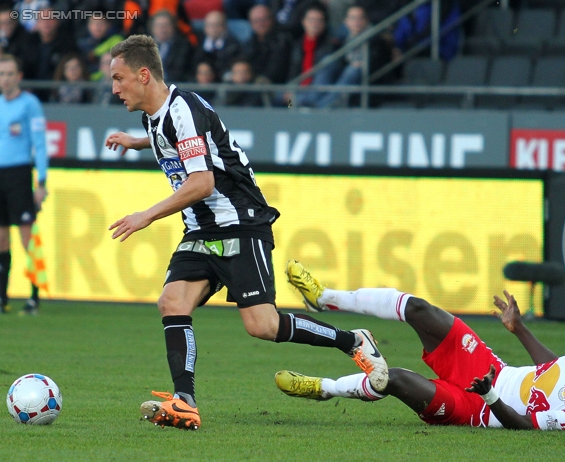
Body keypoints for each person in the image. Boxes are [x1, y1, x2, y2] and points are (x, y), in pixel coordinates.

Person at [103, 34, 386, 431]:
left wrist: (146, 216)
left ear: (143, 75)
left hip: (239, 221)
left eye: (118, 79)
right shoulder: (155, 115)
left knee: (263, 326)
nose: (114, 88)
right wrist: (136, 142)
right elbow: (171, 141)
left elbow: (201, 183)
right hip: (201, 228)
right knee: (171, 302)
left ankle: (353, 340)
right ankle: (185, 400)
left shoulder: (183, 109)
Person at [276, 260, 565, 430]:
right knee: (420, 309)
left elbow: (524, 426)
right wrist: (518, 329)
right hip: (490, 369)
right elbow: (556, 367)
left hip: (476, 409)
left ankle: (323, 389)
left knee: (394, 379)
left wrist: (489, 397)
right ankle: (324, 298)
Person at [0, 54, 48, 315]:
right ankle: (2, 297)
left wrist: (41, 182)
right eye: (1, 74)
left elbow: (39, 144)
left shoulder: (29, 104)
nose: (4, 79)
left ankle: (33, 296)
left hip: (19, 175)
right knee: (1, 238)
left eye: (9, 73)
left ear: (18, 76)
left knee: (26, 237)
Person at [314, 5, 392, 108]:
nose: (357, 21)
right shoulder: (296, 43)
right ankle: (291, 105)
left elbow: (377, 63)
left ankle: (320, 107)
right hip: (304, 84)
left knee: (353, 70)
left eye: (360, 18)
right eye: (353, 18)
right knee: (290, 98)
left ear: (366, 21)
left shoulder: (375, 40)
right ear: (346, 22)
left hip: (363, 84)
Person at [282, 3, 339, 107]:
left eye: (319, 20)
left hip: (315, 91)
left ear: (324, 24)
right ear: (304, 22)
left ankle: (296, 105)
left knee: (301, 100)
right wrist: (290, 89)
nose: (315, 24)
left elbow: (324, 78)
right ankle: (291, 110)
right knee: (279, 97)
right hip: (297, 89)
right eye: (311, 20)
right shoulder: (296, 45)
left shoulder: (331, 46)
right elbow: (292, 71)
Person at [244, 4, 292, 85]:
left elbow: (276, 70)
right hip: (252, 82)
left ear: (272, 19)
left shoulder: (282, 40)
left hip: (276, 85)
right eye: (256, 21)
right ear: (251, 23)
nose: (260, 24)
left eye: (264, 19)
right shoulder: (250, 41)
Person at [192, 11, 242, 83]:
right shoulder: (197, 44)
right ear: (205, 27)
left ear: (224, 27)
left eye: (217, 25)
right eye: (210, 25)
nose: (213, 28)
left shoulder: (233, 46)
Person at [149, 10, 193, 83]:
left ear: (173, 27)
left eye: (166, 25)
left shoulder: (183, 46)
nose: (163, 29)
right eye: (159, 25)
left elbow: (180, 69)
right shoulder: (144, 47)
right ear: (152, 28)